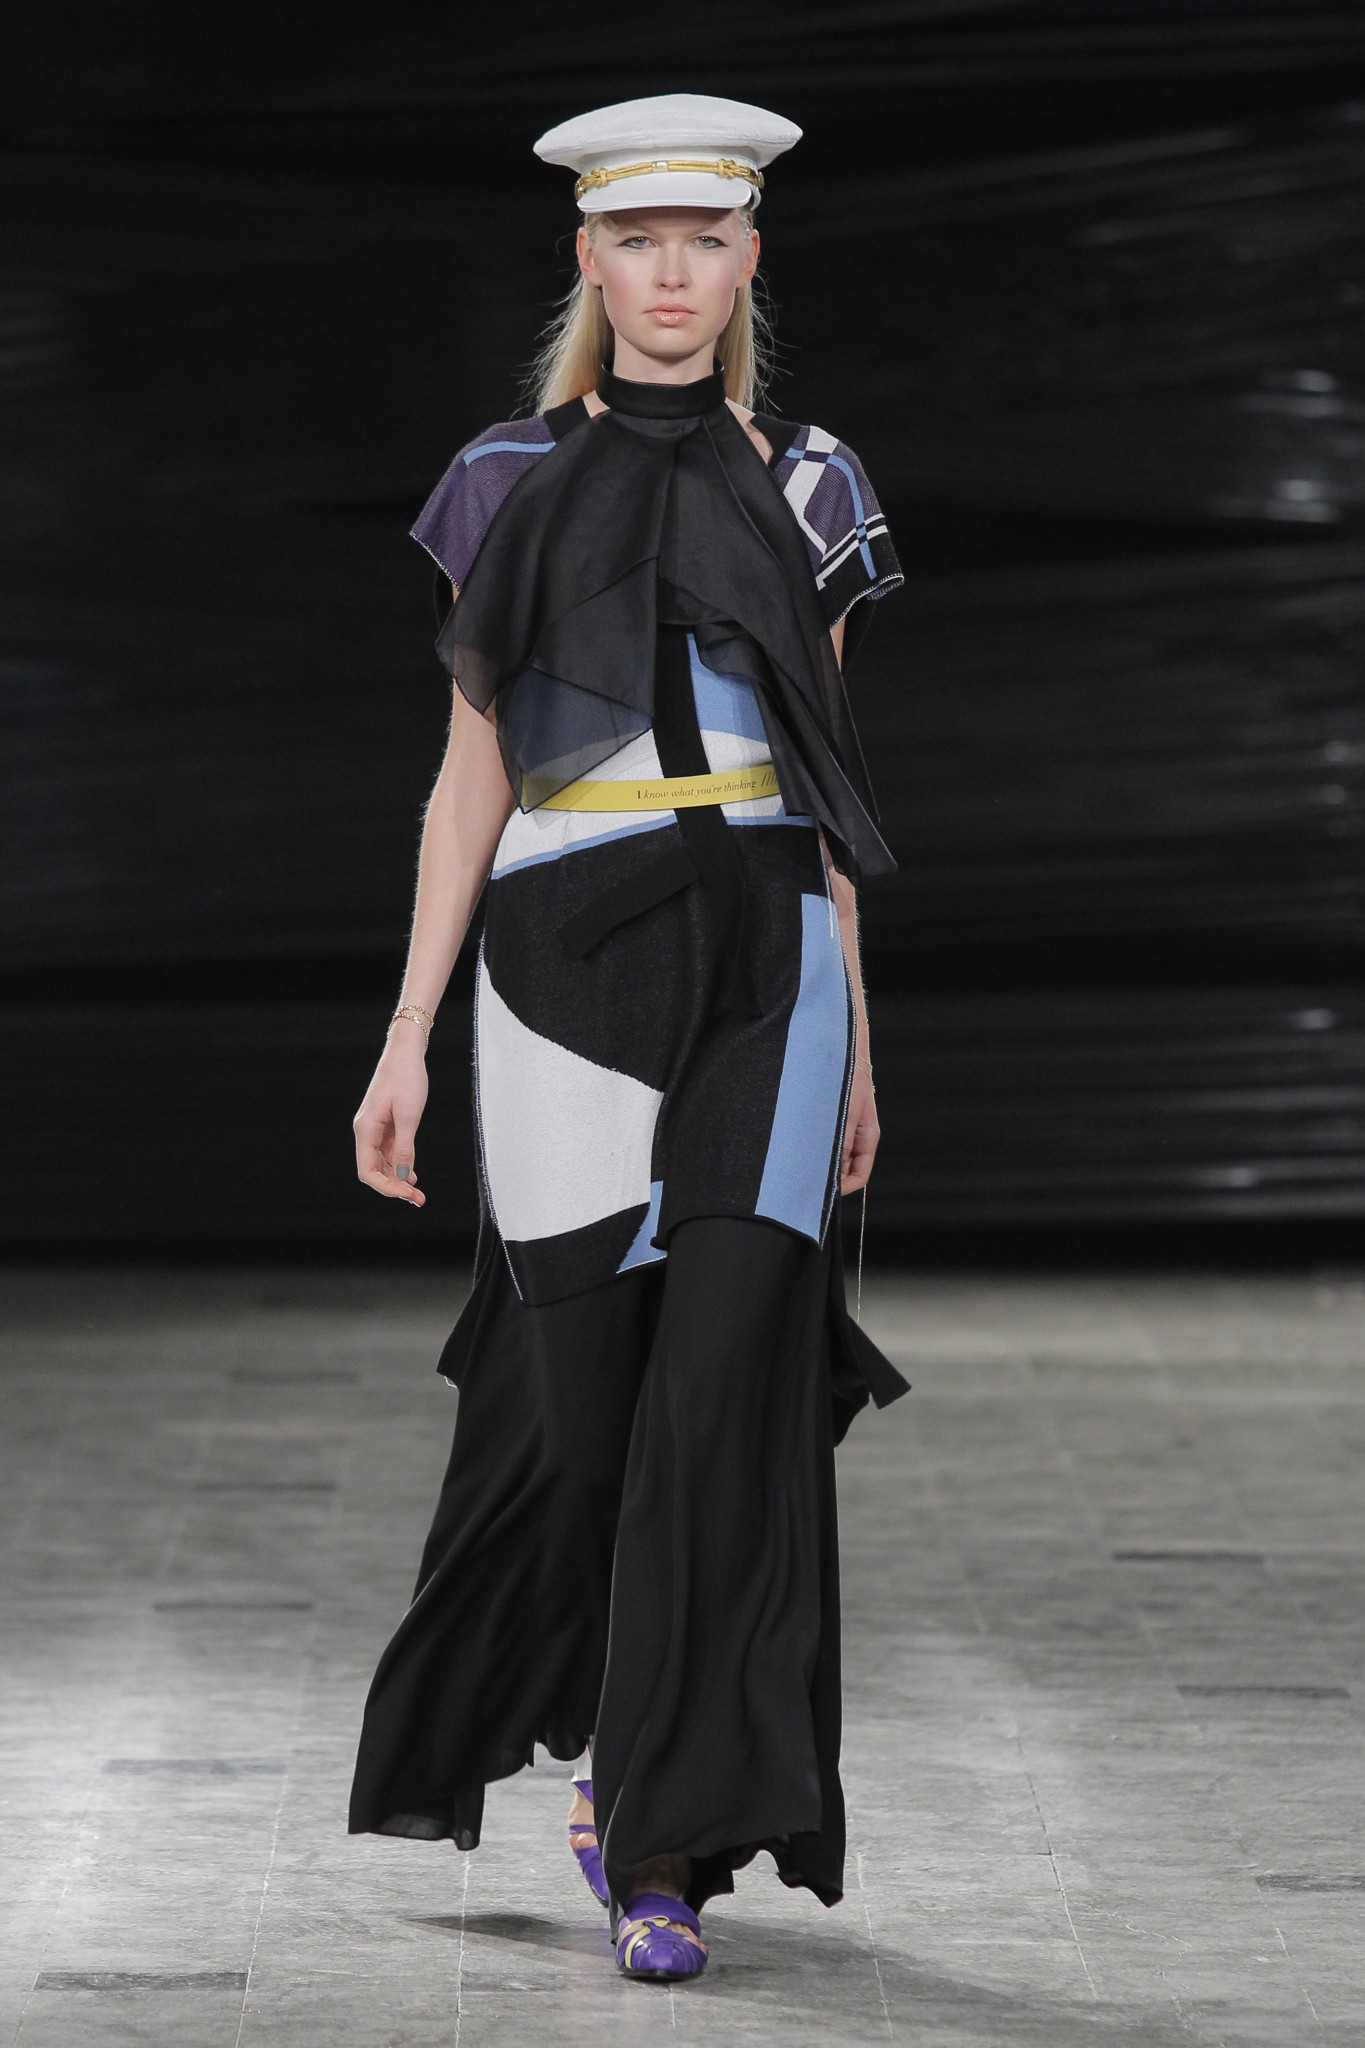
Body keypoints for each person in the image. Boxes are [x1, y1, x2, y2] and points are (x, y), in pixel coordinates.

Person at [347, 91, 909, 1985]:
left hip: (769, 954)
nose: (672, 275)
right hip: (560, 956)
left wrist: (860, 1046)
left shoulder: (816, 481)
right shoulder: (502, 475)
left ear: (749, 260)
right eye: (638, 242)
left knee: (727, 1403)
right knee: (583, 1417)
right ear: (587, 259)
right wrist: (406, 1034)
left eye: (706, 241)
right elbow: (465, 780)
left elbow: (828, 780)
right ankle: (587, 1720)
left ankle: (658, 1839)